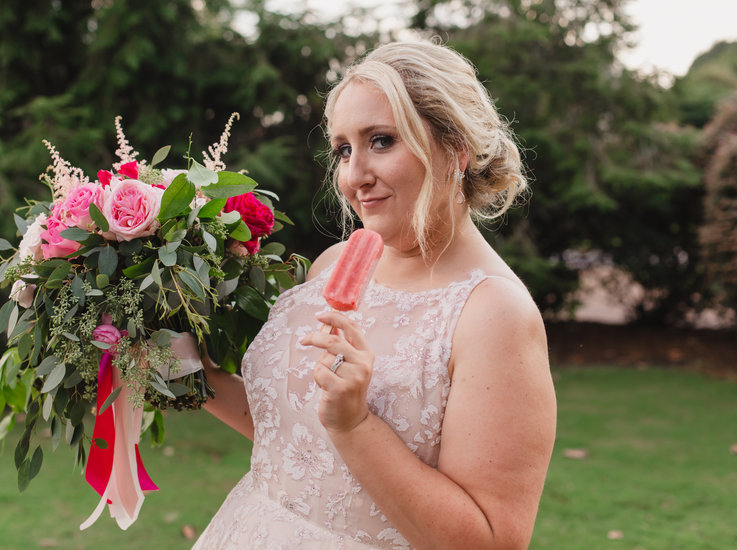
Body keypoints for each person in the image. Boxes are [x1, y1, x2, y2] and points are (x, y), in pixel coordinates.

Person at [174, 40, 557, 549]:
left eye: (381, 141)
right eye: (343, 149)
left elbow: (491, 542)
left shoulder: (493, 314)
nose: (354, 176)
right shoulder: (336, 264)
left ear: (455, 149)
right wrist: (180, 369)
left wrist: (356, 426)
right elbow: (300, 444)